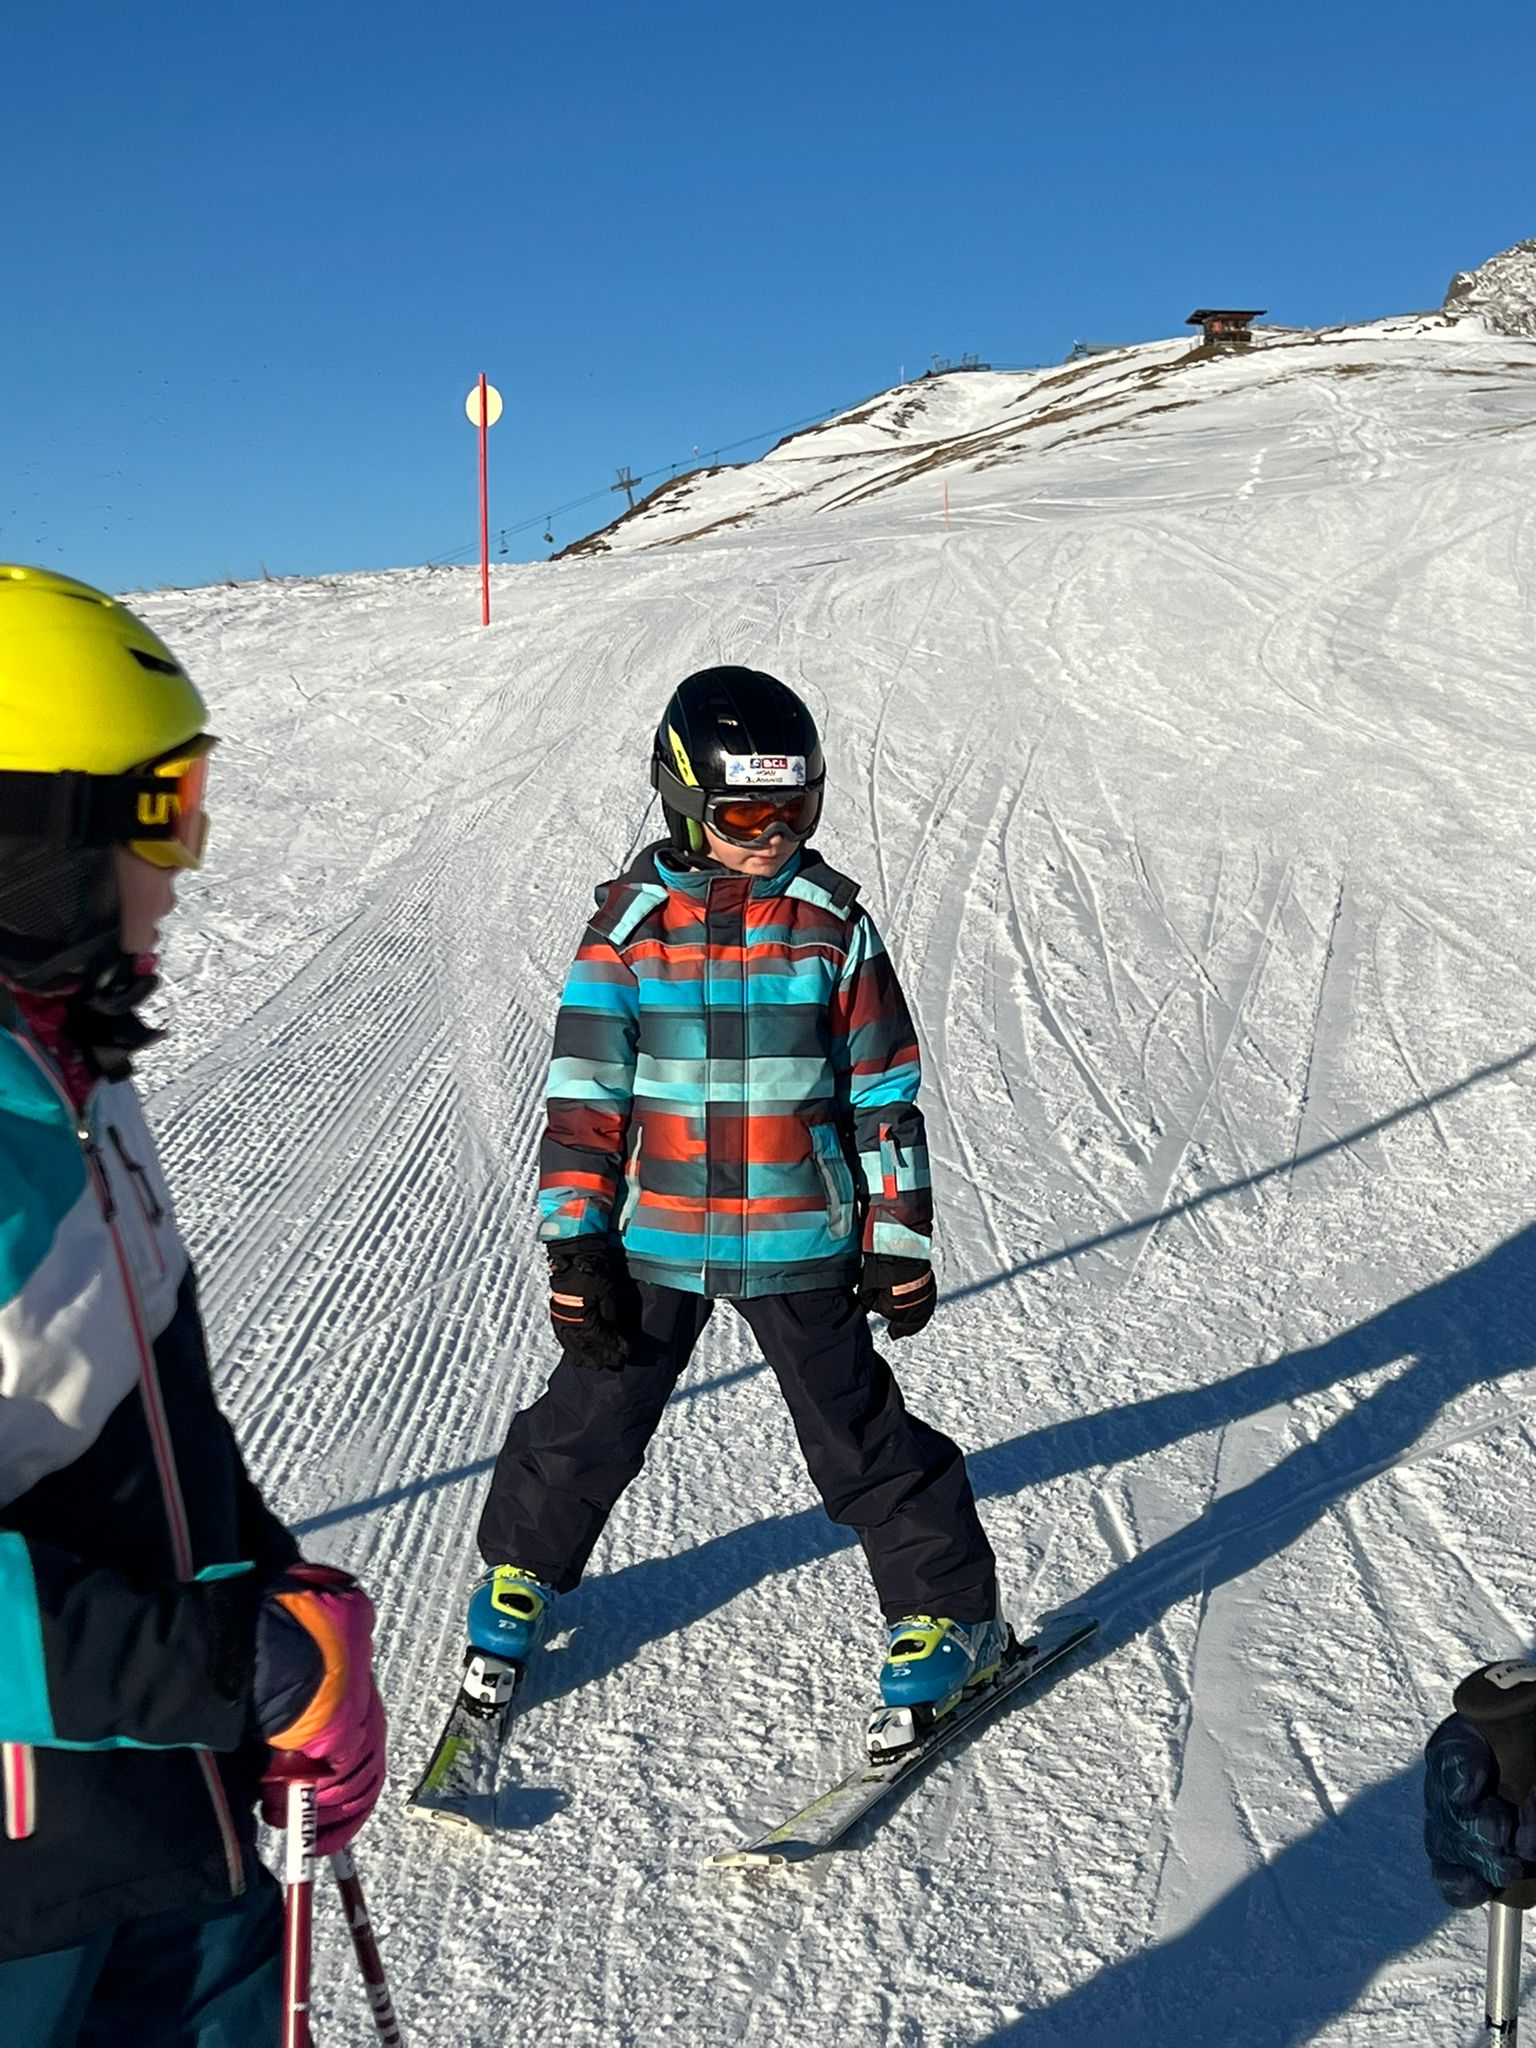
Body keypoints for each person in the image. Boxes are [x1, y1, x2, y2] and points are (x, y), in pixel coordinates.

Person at [0, 565, 385, 2042]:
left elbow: (157, 1401)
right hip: (30, 1894)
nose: (183, 867)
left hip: (179, 1805)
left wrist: (277, 1597)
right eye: (157, 818)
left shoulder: (74, 1067)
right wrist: (232, 1663)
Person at [468, 663, 1002, 1717]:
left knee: (857, 1435)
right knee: (591, 1415)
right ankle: (520, 1568)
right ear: (683, 803)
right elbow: (584, 1099)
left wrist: (897, 1234)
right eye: (747, 813)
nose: (774, 832)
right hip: (655, 1237)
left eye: (796, 808)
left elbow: (883, 1092)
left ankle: (953, 1614)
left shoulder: (831, 925)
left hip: (800, 1235)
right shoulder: (630, 932)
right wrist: (576, 1244)